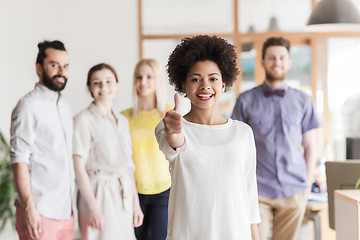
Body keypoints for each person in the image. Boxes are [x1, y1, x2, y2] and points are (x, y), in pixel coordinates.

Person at [155, 35, 261, 240]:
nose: (205, 85)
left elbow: (249, 195)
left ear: (224, 84)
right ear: (183, 86)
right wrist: (175, 132)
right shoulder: (168, 126)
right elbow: (175, 145)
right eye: (195, 79)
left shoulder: (243, 133)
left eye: (213, 78)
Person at [231, 37, 321, 240]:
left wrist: (306, 184)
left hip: (294, 189)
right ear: (262, 62)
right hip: (257, 190)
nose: (277, 62)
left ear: (289, 62)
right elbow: (235, 148)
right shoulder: (245, 101)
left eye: (282, 57)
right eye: (272, 57)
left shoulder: (303, 101)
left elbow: (310, 146)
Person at [10, 40, 75, 240]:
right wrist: (29, 207)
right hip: (40, 212)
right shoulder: (28, 106)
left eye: (65, 66)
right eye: (54, 65)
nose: (61, 71)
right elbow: (19, 159)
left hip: (66, 212)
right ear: (39, 68)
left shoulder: (64, 106)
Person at [73, 63, 143, 240]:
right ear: (89, 87)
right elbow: (78, 167)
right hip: (98, 193)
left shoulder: (122, 120)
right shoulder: (83, 120)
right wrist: (92, 206)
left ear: (116, 85)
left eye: (108, 81)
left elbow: (128, 167)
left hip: (123, 195)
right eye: (97, 83)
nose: (103, 87)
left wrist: (136, 203)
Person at [121, 59, 172, 240]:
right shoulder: (123, 118)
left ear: (157, 80)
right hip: (134, 193)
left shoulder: (169, 114)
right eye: (139, 77)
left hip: (164, 192)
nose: (143, 82)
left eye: (149, 77)